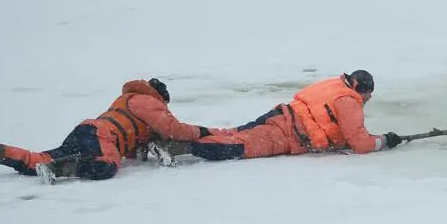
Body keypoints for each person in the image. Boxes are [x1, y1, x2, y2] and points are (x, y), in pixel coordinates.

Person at [0, 78, 214, 184]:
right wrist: (200, 131)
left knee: (38, 158)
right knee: (107, 166)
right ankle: (58, 169)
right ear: (161, 96)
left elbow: (130, 144)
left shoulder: (126, 99)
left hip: (87, 130)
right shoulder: (148, 101)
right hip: (101, 136)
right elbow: (174, 129)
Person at [149, 70, 402, 166]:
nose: (368, 99)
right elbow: (360, 143)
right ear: (362, 89)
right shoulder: (349, 100)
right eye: (368, 94)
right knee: (239, 146)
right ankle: (178, 146)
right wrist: (385, 140)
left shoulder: (334, 85)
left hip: (281, 114)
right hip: (289, 133)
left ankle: (174, 135)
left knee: (232, 133)